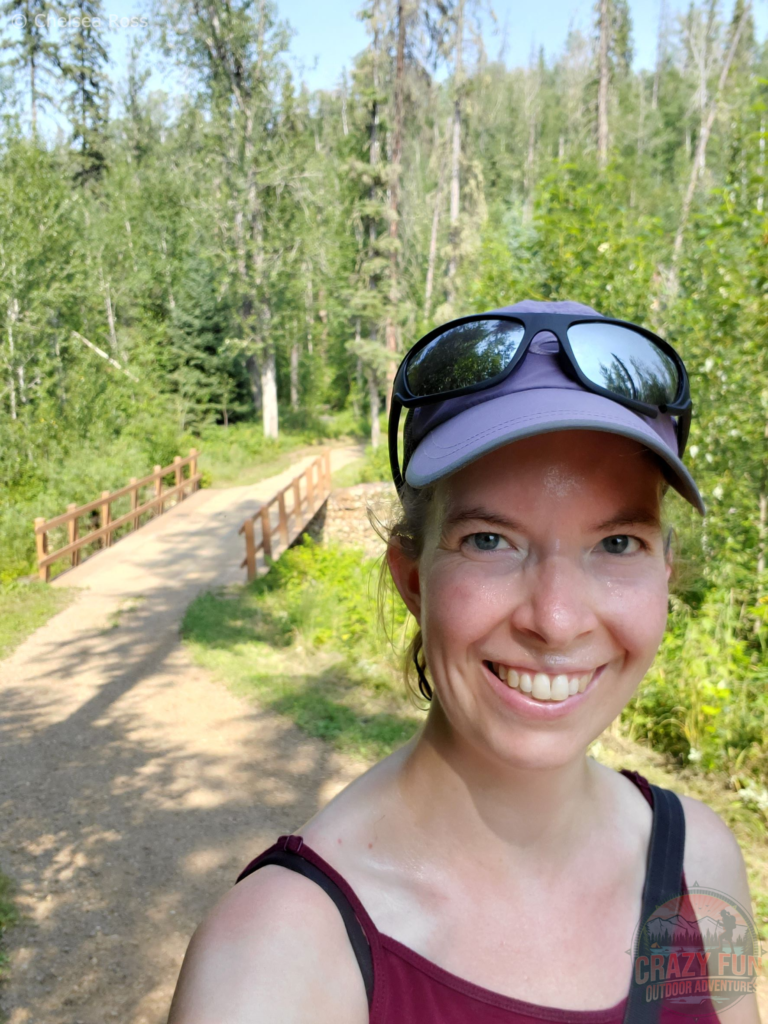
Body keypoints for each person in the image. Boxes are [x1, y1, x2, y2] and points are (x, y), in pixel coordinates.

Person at [168, 300, 760, 1024]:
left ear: (664, 574)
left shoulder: (702, 867)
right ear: (412, 578)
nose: (557, 618)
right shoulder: (276, 964)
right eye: (489, 540)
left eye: (616, 543)